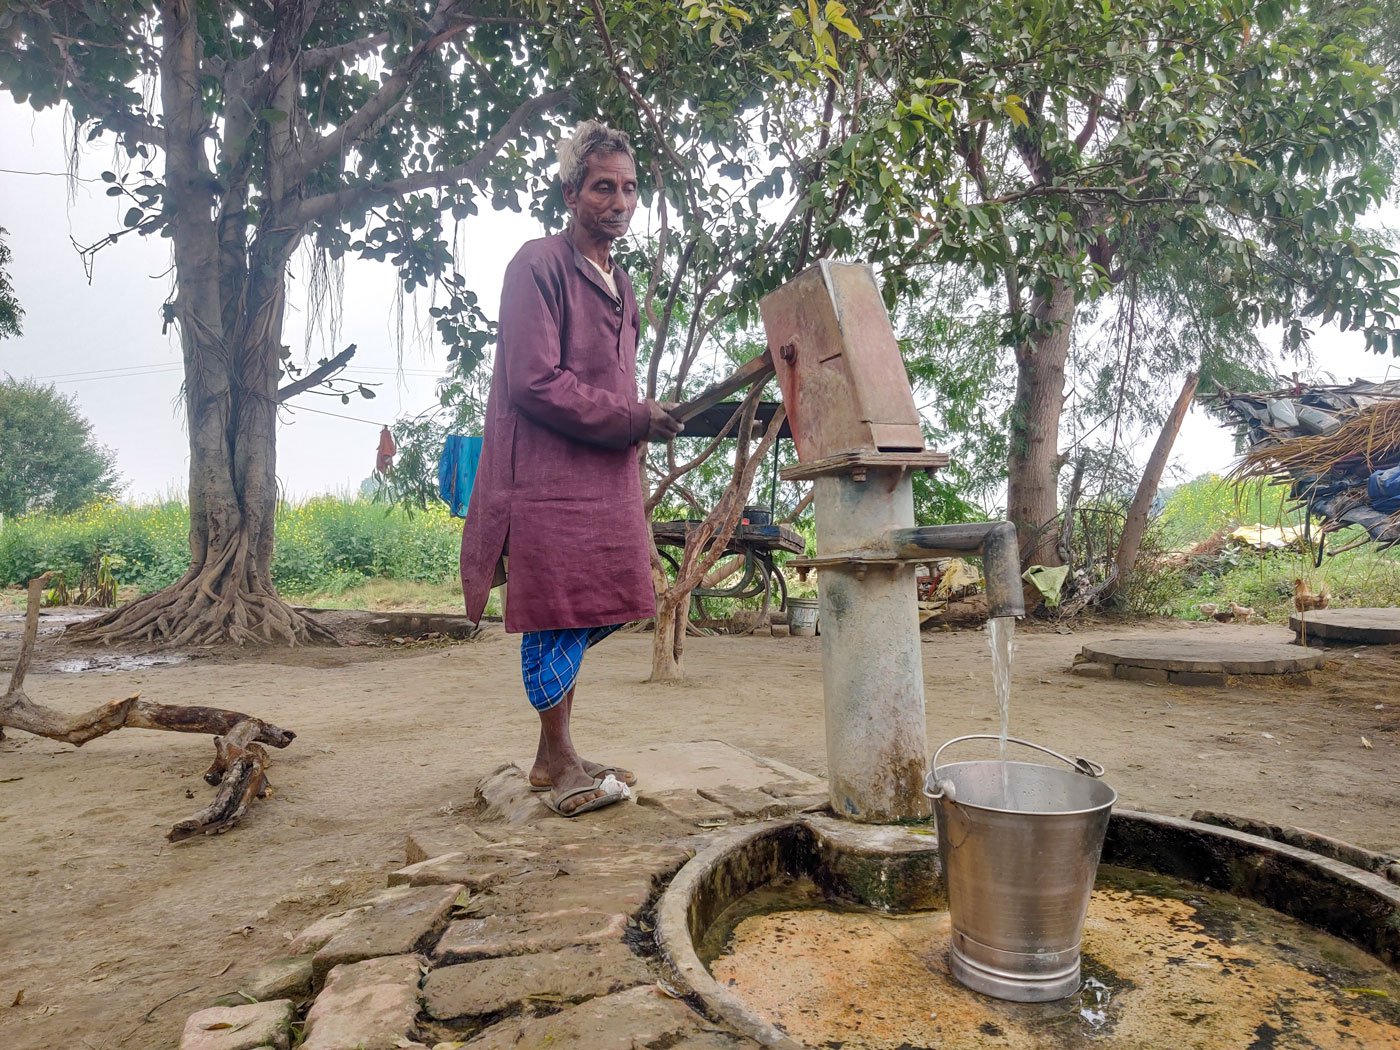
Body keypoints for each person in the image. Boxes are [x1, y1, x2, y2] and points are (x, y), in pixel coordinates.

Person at [459, 120, 683, 817]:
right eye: (603, 187)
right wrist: (632, 419)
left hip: (605, 478)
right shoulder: (538, 264)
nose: (618, 202)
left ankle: (559, 751)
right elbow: (534, 382)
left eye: (630, 189)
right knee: (555, 610)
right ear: (570, 193)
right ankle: (552, 757)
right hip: (548, 480)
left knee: (598, 601)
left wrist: (641, 424)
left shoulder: (623, 284)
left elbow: (614, 382)